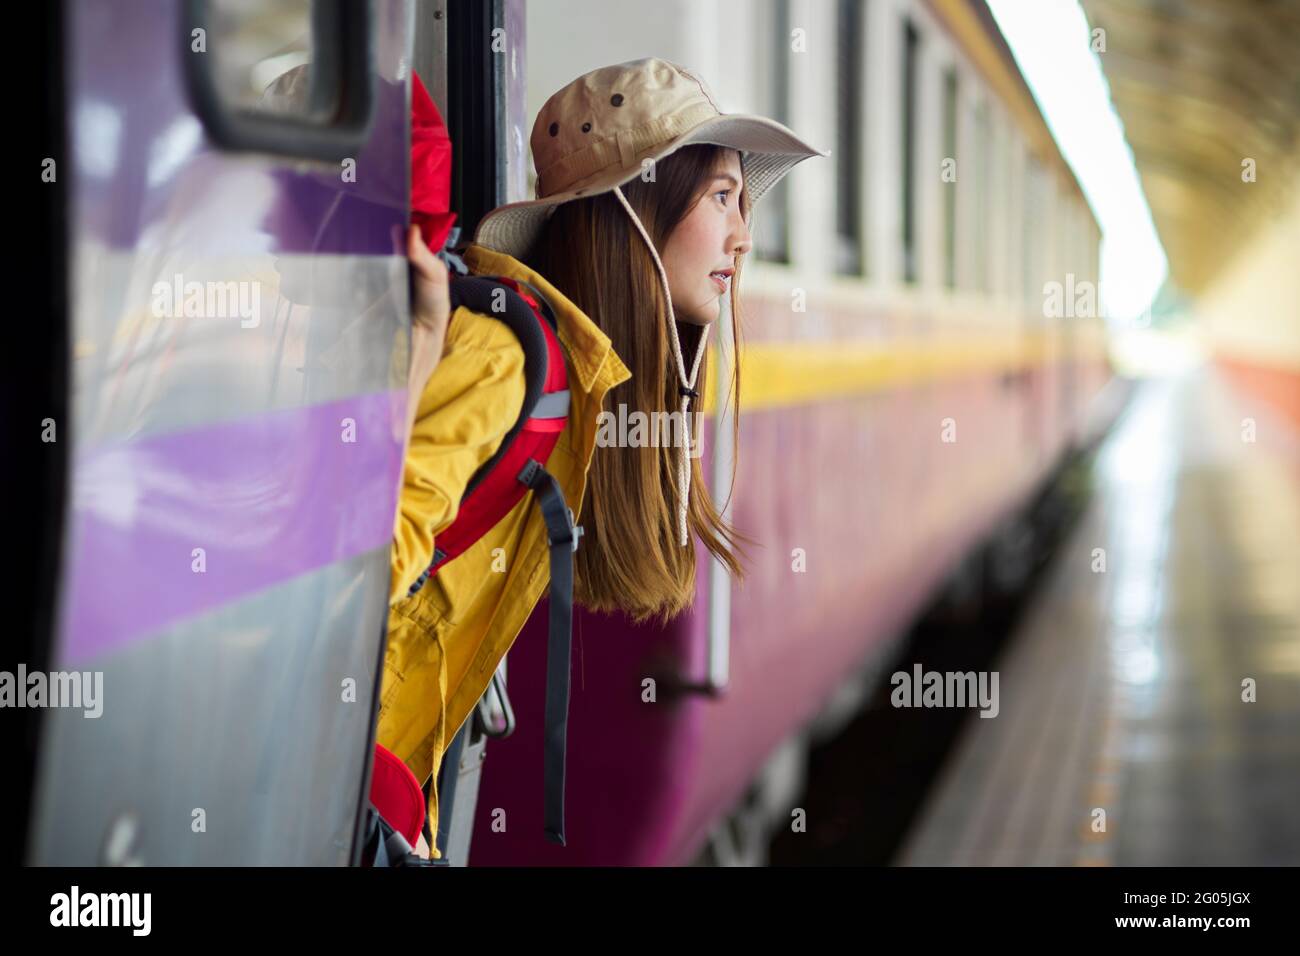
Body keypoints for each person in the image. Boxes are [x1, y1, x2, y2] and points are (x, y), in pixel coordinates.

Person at [384, 57, 827, 859]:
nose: (744, 236)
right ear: (635, 208)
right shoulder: (505, 361)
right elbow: (359, 588)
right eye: (724, 196)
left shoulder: (583, 381)